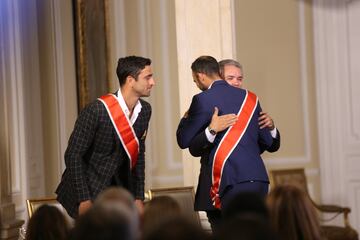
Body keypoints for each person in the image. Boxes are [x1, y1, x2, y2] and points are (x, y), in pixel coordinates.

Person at [176, 56, 277, 231]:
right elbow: (269, 142)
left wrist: (190, 119)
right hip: (258, 179)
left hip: (226, 182)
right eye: (231, 78)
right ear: (220, 75)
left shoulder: (203, 99)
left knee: (229, 233)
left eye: (239, 78)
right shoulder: (251, 100)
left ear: (200, 76)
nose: (236, 83)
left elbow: (184, 141)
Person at [56, 56, 155, 218]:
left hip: (120, 193)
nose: (152, 82)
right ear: (130, 80)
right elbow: (73, 155)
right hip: (87, 190)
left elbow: (138, 154)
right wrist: (84, 199)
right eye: (148, 77)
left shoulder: (145, 110)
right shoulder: (97, 110)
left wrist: (138, 197)